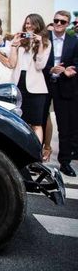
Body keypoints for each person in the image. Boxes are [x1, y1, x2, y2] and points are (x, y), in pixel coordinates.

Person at [43, 10, 78, 176]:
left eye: (62, 22)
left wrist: (70, 70)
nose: (58, 24)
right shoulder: (44, 38)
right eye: (56, 20)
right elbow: (36, 59)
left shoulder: (74, 41)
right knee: (38, 122)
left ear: (67, 24)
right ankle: (36, 160)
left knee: (66, 126)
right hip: (43, 84)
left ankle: (65, 162)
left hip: (65, 85)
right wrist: (50, 69)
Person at [8, 13, 51, 143]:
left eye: (31, 23)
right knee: (18, 122)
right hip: (18, 82)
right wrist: (14, 46)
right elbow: (12, 64)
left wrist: (40, 46)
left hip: (36, 87)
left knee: (36, 123)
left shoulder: (46, 42)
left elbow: (40, 65)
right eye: (27, 23)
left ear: (38, 25)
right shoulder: (20, 41)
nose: (28, 26)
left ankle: (36, 153)